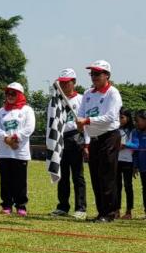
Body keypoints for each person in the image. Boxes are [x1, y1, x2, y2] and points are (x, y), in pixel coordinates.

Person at [77, 60, 123, 222]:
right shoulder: (88, 94)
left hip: (109, 136)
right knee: (96, 175)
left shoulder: (113, 93)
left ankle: (111, 212)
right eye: (92, 74)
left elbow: (110, 117)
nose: (94, 77)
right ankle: (101, 211)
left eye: (97, 74)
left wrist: (87, 121)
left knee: (107, 175)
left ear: (107, 75)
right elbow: (81, 113)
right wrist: (81, 123)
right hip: (94, 138)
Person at [50, 68, 88, 220]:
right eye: (62, 83)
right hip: (61, 138)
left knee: (78, 175)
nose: (64, 86)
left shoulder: (81, 99)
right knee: (62, 174)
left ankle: (81, 208)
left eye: (67, 83)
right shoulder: (56, 101)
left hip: (76, 137)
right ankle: (63, 206)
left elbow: (85, 123)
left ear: (74, 82)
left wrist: (86, 144)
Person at [0, 82, 35, 216]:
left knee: (20, 181)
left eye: (13, 93)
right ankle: (6, 204)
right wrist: (6, 138)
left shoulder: (27, 110)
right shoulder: (2, 110)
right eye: (7, 93)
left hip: (20, 151)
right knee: (5, 180)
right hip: (4, 152)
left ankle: (21, 205)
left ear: (19, 95)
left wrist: (15, 137)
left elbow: (29, 128)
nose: (9, 96)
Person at [127, 109, 146, 219]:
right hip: (143, 167)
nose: (136, 123)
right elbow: (135, 147)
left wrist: (124, 144)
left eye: (138, 120)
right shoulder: (136, 132)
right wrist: (135, 166)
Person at [117, 107, 135, 219]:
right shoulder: (114, 129)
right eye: (118, 117)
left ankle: (128, 211)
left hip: (128, 161)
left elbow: (136, 145)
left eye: (122, 117)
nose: (119, 119)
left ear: (128, 118)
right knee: (116, 186)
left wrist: (125, 145)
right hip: (116, 161)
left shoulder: (133, 130)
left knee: (128, 186)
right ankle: (116, 210)